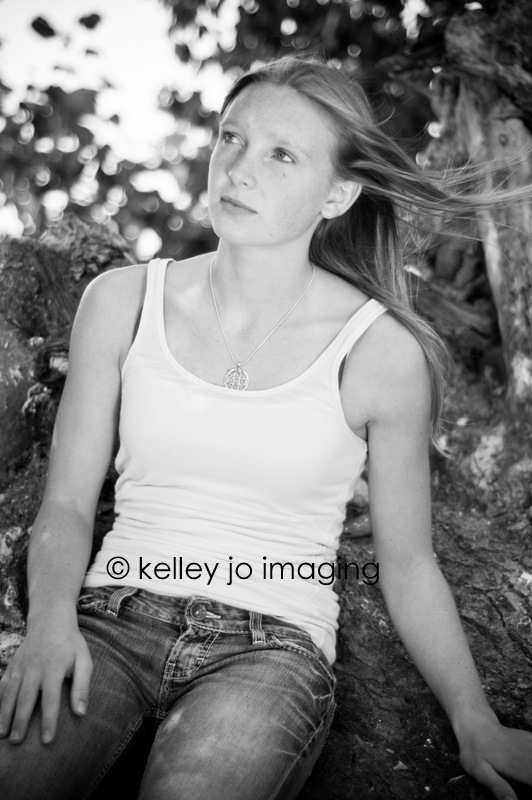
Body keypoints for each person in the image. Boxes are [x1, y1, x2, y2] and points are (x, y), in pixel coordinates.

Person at [0, 54, 531, 800]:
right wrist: (50, 626)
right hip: (111, 619)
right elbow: (65, 504)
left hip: (270, 651)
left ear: (338, 193)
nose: (238, 169)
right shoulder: (122, 301)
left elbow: (408, 564)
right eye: (231, 137)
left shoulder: (381, 352)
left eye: (282, 155)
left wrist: (474, 719)